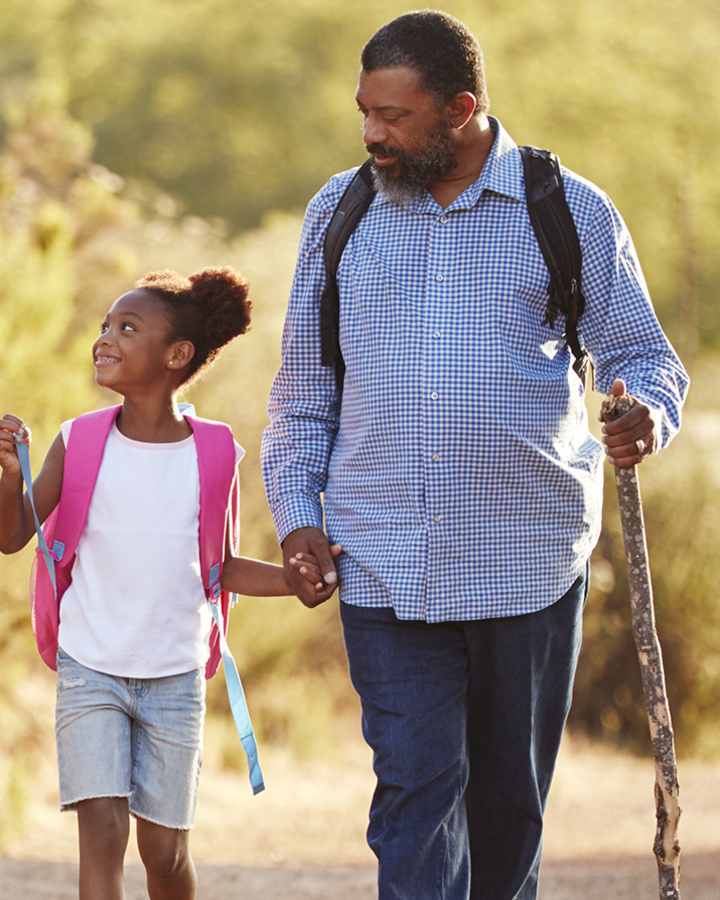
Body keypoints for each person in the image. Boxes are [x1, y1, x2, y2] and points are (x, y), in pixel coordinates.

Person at [261, 10, 689, 900]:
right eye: (364, 112)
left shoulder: (564, 207)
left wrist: (644, 412)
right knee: (414, 796)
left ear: (461, 109)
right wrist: (299, 516)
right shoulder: (340, 213)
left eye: (396, 116)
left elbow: (645, 356)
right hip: (381, 561)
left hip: (525, 565)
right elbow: (303, 394)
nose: (373, 134)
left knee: (506, 813)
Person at [0, 267, 331, 900]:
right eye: (104, 325)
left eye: (127, 328)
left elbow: (219, 567)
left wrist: (295, 583)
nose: (105, 338)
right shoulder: (78, 440)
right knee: (101, 831)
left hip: (173, 678)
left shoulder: (214, 452)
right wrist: (9, 477)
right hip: (90, 666)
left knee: (164, 850)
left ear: (177, 355)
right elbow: (13, 536)